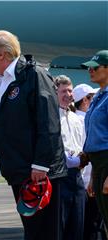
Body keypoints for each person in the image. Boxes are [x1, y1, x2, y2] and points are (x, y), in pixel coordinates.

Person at [0, 30, 67, 240]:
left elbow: (48, 122)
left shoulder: (34, 75)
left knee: (45, 234)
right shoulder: (0, 84)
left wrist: (41, 165)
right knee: (32, 233)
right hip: (20, 172)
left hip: (39, 174)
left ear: (2, 54)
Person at [55, 75, 86, 240]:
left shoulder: (76, 119)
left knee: (77, 227)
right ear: (55, 93)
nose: (68, 94)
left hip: (77, 179)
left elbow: (81, 145)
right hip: (61, 177)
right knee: (61, 227)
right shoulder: (52, 117)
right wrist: (76, 160)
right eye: (63, 91)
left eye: (69, 90)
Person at [73, 83, 105, 239]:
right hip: (91, 181)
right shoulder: (86, 120)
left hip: (84, 181)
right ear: (85, 100)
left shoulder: (74, 118)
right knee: (94, 226)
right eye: (92, 97)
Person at [82, 50, 108, 235]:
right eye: (89, 68)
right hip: (98, 165)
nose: (90, 71)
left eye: (95, 67)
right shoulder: (99, 96)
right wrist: (92, 176)